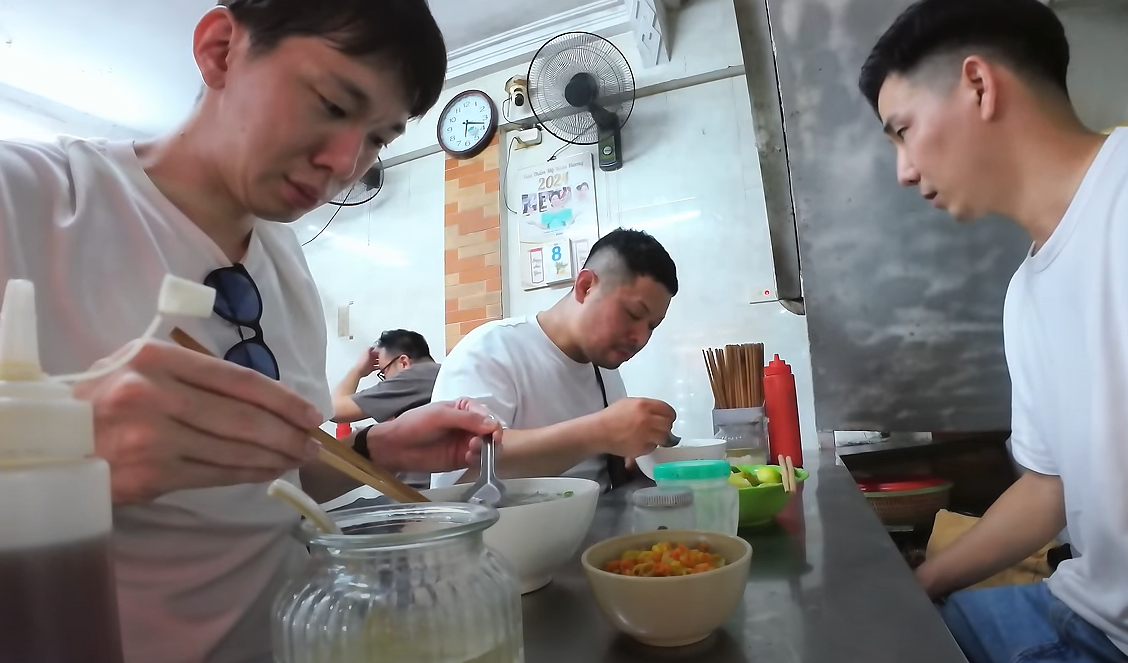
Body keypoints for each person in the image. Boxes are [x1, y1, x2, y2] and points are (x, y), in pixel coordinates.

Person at [0, 2, 503, 662]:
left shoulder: (288, 266)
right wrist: (62, 446)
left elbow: (268, 477)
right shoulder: (27, 200)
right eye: (330, 102)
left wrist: (378, 450)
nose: (345, 162)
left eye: (379, 137)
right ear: (220, 51)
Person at [859, 1, 1128, 662]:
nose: (903, 170)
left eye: (901, 130)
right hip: (1075, 608)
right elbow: (1050, 488)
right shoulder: (1026, 295)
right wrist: (924, 584)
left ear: (979, 85)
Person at [431, 228, 679, 490]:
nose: (640, 338)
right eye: (631, 313)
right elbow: (458, 479)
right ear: (585, 287)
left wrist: (630, 453)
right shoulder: (490, 350)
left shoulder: (605, 369)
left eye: (652, 326)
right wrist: (598, 433)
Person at [332, 329, 440, 423]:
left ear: (404, 363)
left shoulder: (412, 378)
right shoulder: (439, 372)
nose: (386, 381)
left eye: (384, 372)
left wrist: (357, 370)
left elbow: (332, 410)